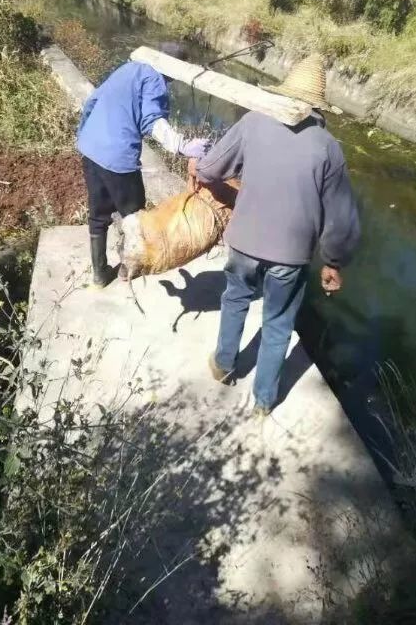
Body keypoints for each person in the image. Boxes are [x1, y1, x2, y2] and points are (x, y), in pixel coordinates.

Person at [189, 54, 360, 416]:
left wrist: (197, 165)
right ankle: (264, 400)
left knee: (234, 298)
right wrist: (333, 262)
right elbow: (340, 216)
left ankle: (223, 364)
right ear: (318, 106)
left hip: (245, 243)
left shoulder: (253, 123)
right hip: (292, 254)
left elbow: (213, 167)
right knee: (278, 322)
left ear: (282, 94)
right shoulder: (328, 146)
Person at [77, 43, 209, 287]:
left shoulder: (128, 69)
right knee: (135, 215)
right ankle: (128, 270)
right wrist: (182, 145)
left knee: (98, 213)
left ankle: (99, 274)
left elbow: (92, 102)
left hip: (90, 147)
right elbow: (152, 120)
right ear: (172, 69)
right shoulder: (154, 78)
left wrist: (84, 135)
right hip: (118, 156)